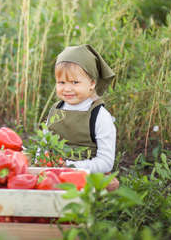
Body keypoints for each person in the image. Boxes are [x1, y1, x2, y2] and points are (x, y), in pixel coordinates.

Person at [46, 44, 119, 190]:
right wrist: (41, 160)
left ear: (92, 83)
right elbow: (44, 143)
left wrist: (70, 166)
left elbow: (105, 162)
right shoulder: (55, 110)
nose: (67, 88)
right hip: (55, 171)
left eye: (75, 82)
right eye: (61, 82)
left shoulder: (99, 116)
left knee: (109, 184)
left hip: (87, 173)